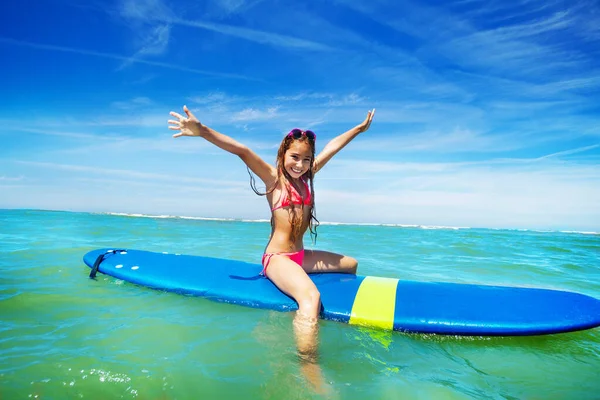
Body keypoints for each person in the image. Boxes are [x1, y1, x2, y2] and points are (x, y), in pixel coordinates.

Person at [168, 105, 375, 391]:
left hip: (299, 256)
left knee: (350, 264)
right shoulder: (273, 179)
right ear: (283, 154)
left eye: (305, 159)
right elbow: (241, 150)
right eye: (294, 157)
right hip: (277, 259)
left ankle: (336, 317)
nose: (300, 165)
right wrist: (202, 131)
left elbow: (332, 148)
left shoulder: (308, 177)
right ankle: (308, 365)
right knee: (310, 297)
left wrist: (358, 129)